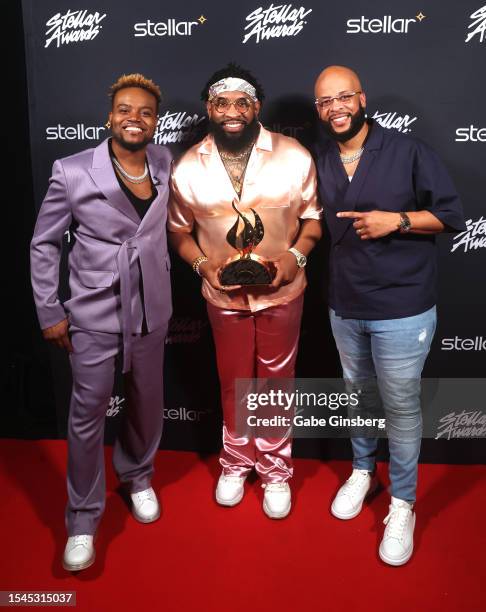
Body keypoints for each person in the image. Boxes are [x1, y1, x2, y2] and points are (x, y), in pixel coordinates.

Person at [314, 65, 465, 565]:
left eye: (343, 97)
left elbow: (451, 217)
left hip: (402, 305)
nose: (335, 108)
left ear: (361, 98)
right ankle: (362, 471)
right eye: (324, 102)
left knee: (399, 407)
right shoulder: (321, 162)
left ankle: (402, 503)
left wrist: (396, 221)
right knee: (359, 396)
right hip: (345, 304)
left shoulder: (408, 150)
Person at [30, 74, 172, 571]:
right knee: (87, 415)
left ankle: (137, 476)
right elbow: (45, 243)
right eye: (125, 109)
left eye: (146, 112)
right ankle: (84, 519)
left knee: (148, 403)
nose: (135, 118)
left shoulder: (164, 162)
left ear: (156, 121)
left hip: (152, 306)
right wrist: (50, 309)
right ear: (109, 116)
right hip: (93, 310)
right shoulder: (71, 171)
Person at [168, 63, 322, 519]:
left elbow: (313, 219)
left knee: (276, 381)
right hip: (222, 297)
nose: (232, 111)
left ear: (256, 107)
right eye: (221, 102)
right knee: (234, 380)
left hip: (284, 292)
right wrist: (202, 266)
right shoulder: (187, 166)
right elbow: (179, 232)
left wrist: (293, 260)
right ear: (208, 108)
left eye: (242, 102)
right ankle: (236, 462)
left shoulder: (294, 155)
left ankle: (275, 468)